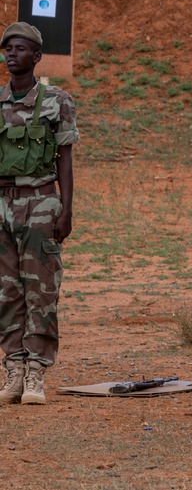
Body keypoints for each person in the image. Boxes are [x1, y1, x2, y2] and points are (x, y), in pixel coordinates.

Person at [0, 22, 78, 406]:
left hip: (41, 201)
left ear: (36, 56)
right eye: (7, 49)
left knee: (41, 290)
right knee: (6, 292)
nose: (11, 54)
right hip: (2, 204)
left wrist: (65, 209)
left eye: (19, 48)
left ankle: (36, 372)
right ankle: (13, 368)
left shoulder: (57, 101)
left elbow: (65, 157)